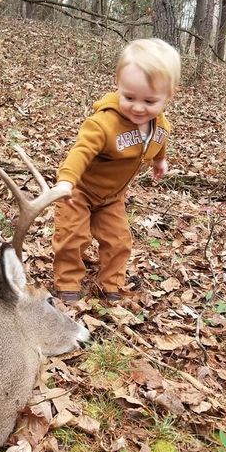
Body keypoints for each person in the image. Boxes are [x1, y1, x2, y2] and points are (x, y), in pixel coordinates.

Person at [52, 37, 181, 303]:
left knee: (119, 240)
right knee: (73, 236)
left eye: (149, 101)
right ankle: (67, 285)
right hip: (79, 192)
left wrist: (160, 160)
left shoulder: (160, 124)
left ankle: (111, 285)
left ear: (169, 95)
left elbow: (160, 140)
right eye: (129, 97)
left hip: (112, 197)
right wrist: (66, 181)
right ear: (118, 84)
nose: (138, 107)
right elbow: (81, 151)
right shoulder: (103, 123)